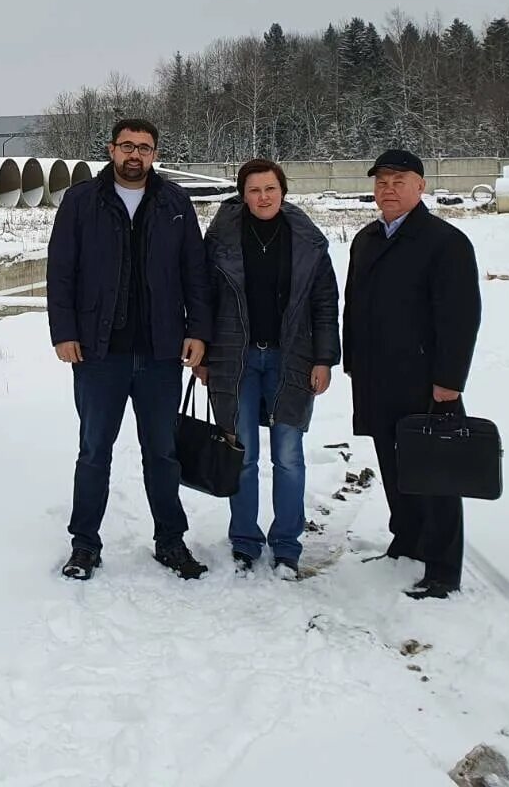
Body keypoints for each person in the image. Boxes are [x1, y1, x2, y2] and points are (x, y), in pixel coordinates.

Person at [47, 118, 212, 581]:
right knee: (94, 450)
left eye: (144, 147)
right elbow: (61, 271)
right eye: (126, 146)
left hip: (161, 354)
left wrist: (198, 330)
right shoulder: (82, 202)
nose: (134, 155)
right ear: (111, 149)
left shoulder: (175, 203)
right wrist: (64, 332)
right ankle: (84, 544)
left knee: (162, 452)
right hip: (99, 353)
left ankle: (170, 540)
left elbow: (194, 274)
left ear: (155, 153)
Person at [343, 149, 482, 599]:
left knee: (435, 473)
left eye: (399, 180)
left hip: (426, 381)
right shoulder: (367, 239)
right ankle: (407, 541)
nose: (388, 188)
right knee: (393, 466)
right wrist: (352, 361)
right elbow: (355, 307)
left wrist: (449, 381)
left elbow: (461, 317)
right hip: (377, 376)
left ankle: (442, 568)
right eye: (381, 180)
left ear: (421, 186)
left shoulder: (445, 242)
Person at [199, 159, 339, 580]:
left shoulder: (307, 241)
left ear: (283, 190)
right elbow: (202, 298)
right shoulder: (221, 238)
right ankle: (244, 541)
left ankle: (286, 545)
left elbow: (325, 305)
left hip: (289, 359)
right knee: (241, 454)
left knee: (288, 456)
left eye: (271, 188)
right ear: (243, 194)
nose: (264, 197)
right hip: (234, 358)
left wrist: (324, 358)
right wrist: (203, 354)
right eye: (255, 190)